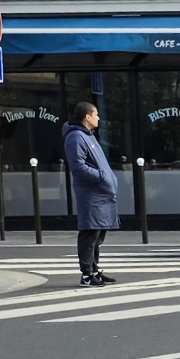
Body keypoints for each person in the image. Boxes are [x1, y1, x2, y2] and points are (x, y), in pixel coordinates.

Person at [62, 102, 119, 286]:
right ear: (87, 116)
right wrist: (102, 176)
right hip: (91, 195)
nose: (98, 118)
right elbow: (78, 167)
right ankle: (86, 275)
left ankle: (94, 270)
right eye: (96, 114)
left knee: (97, 235)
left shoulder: (88, 136)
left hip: (100, 194)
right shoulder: (76, 137)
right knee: (90, 234)